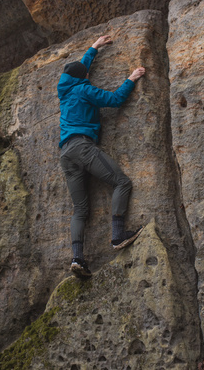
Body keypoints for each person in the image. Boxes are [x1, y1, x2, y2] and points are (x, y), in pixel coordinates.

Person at [58, 35, 145, 278]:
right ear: (82, 78)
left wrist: (94, 47)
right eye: (85, 73)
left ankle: (78, 259)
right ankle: (117, 235)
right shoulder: (85, 90)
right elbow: (115, 100)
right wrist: (131, 78)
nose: (88, 74)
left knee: (80, 209)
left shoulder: (64, 91)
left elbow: (78, 69)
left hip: (66, 154)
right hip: (82, 147)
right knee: (122, 182)